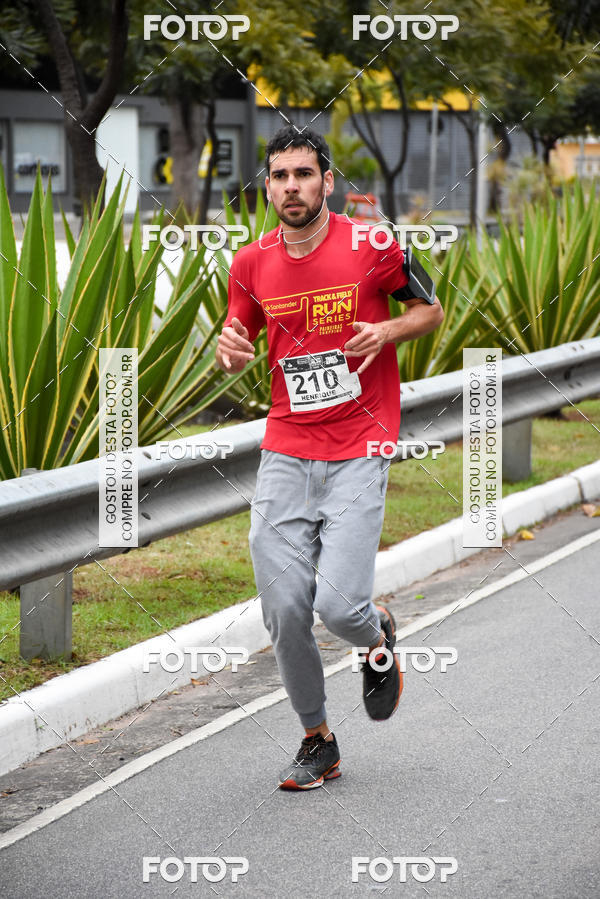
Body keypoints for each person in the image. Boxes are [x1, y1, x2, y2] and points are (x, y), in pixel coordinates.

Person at [216, 125, 444, 790]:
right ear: (268, 187)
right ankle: (318, 739)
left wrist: (391, 327)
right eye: (280, 176)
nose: (291, 186)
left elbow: (430, 310)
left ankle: (377, 635)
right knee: (285, 608)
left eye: (303, 174)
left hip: (360, 441)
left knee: (341, 608)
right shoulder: (250, 262)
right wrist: (231, 349)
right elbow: (239, 331)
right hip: (287, 445)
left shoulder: (373, 244)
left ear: (327, 181)